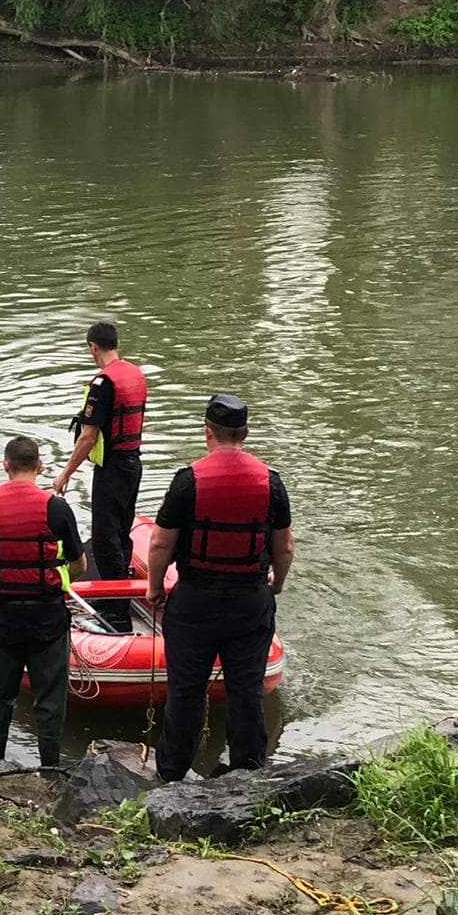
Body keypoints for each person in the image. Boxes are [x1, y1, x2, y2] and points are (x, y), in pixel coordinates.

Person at [145, 393, 295, 782]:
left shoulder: (187, 481)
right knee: (246, 690)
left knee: (186, 691)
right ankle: (248, 771)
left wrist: (155, 587)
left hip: (195, 601)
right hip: (250, 600)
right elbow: (285, 545)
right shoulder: (271, 483)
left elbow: (160, 542)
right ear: (244, 433)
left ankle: (173, 774)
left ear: (207, 431)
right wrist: (276, 582)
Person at [0, 435, 87, 768]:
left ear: (6, 466)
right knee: (50, 700)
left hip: (3, 619)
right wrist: (53, 577)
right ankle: (50, 769)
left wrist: (4, 569)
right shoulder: (56, 508)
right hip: (48, 619)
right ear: (40, 467)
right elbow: (80, 564)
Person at [51, 321, 148, 583]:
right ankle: (124, 584)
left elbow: (88, 437)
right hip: (133, 465)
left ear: (94, 347)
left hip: (112, 469)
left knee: (105, 537)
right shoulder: (136, 374)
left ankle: (114, 604)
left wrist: (65, 474)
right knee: (122, 530)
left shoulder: (103, 383)